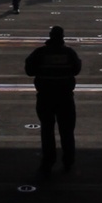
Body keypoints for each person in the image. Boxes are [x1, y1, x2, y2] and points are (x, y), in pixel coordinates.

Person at [25, 25, 81, 176]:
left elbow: (29, 70)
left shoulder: (40, 53)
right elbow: (77, 69)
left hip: (46, 96)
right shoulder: (69, 53)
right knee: (67, 131)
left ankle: (48, 161)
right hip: (65, 97)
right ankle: (68, 161)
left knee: (47, 130)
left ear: (50, 36)